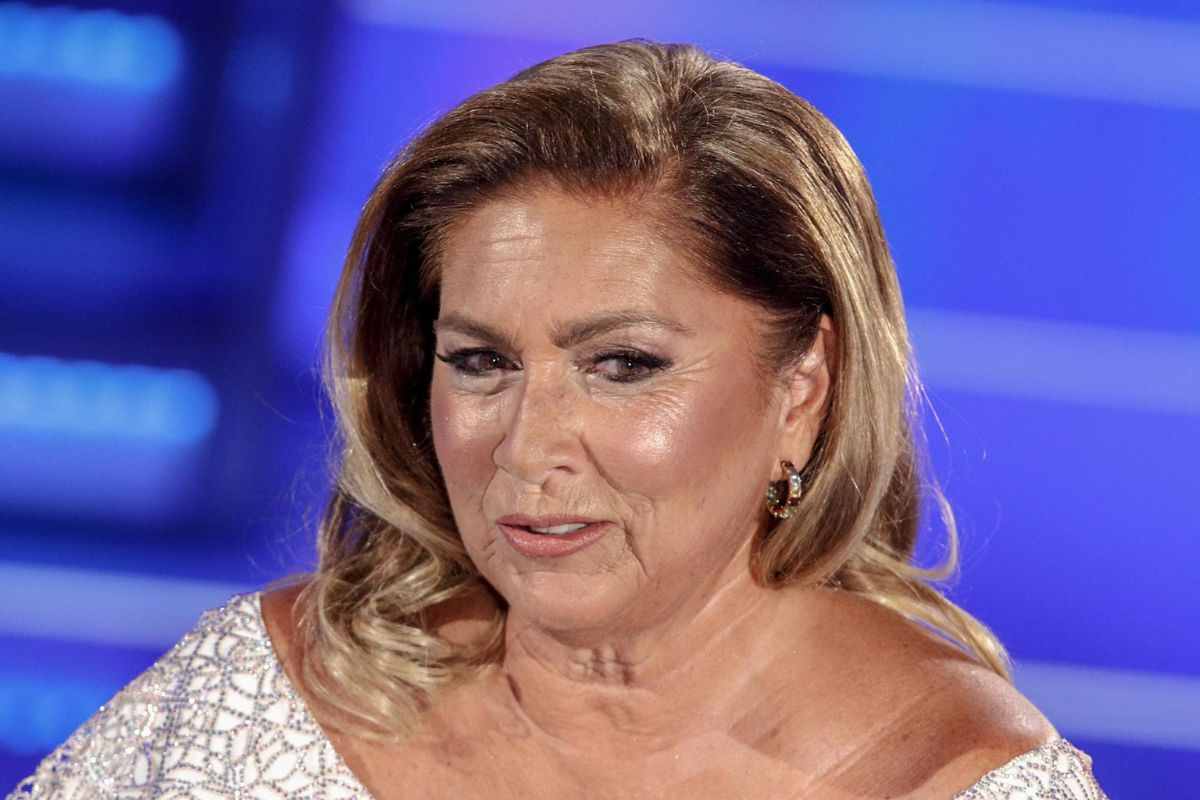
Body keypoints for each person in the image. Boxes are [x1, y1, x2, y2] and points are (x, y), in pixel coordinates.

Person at [9, 40, 1108, 799]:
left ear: (802, 388)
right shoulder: (266, 694)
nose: (528, 447)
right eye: (481, 362)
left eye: (622, 365)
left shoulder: (957, 777)